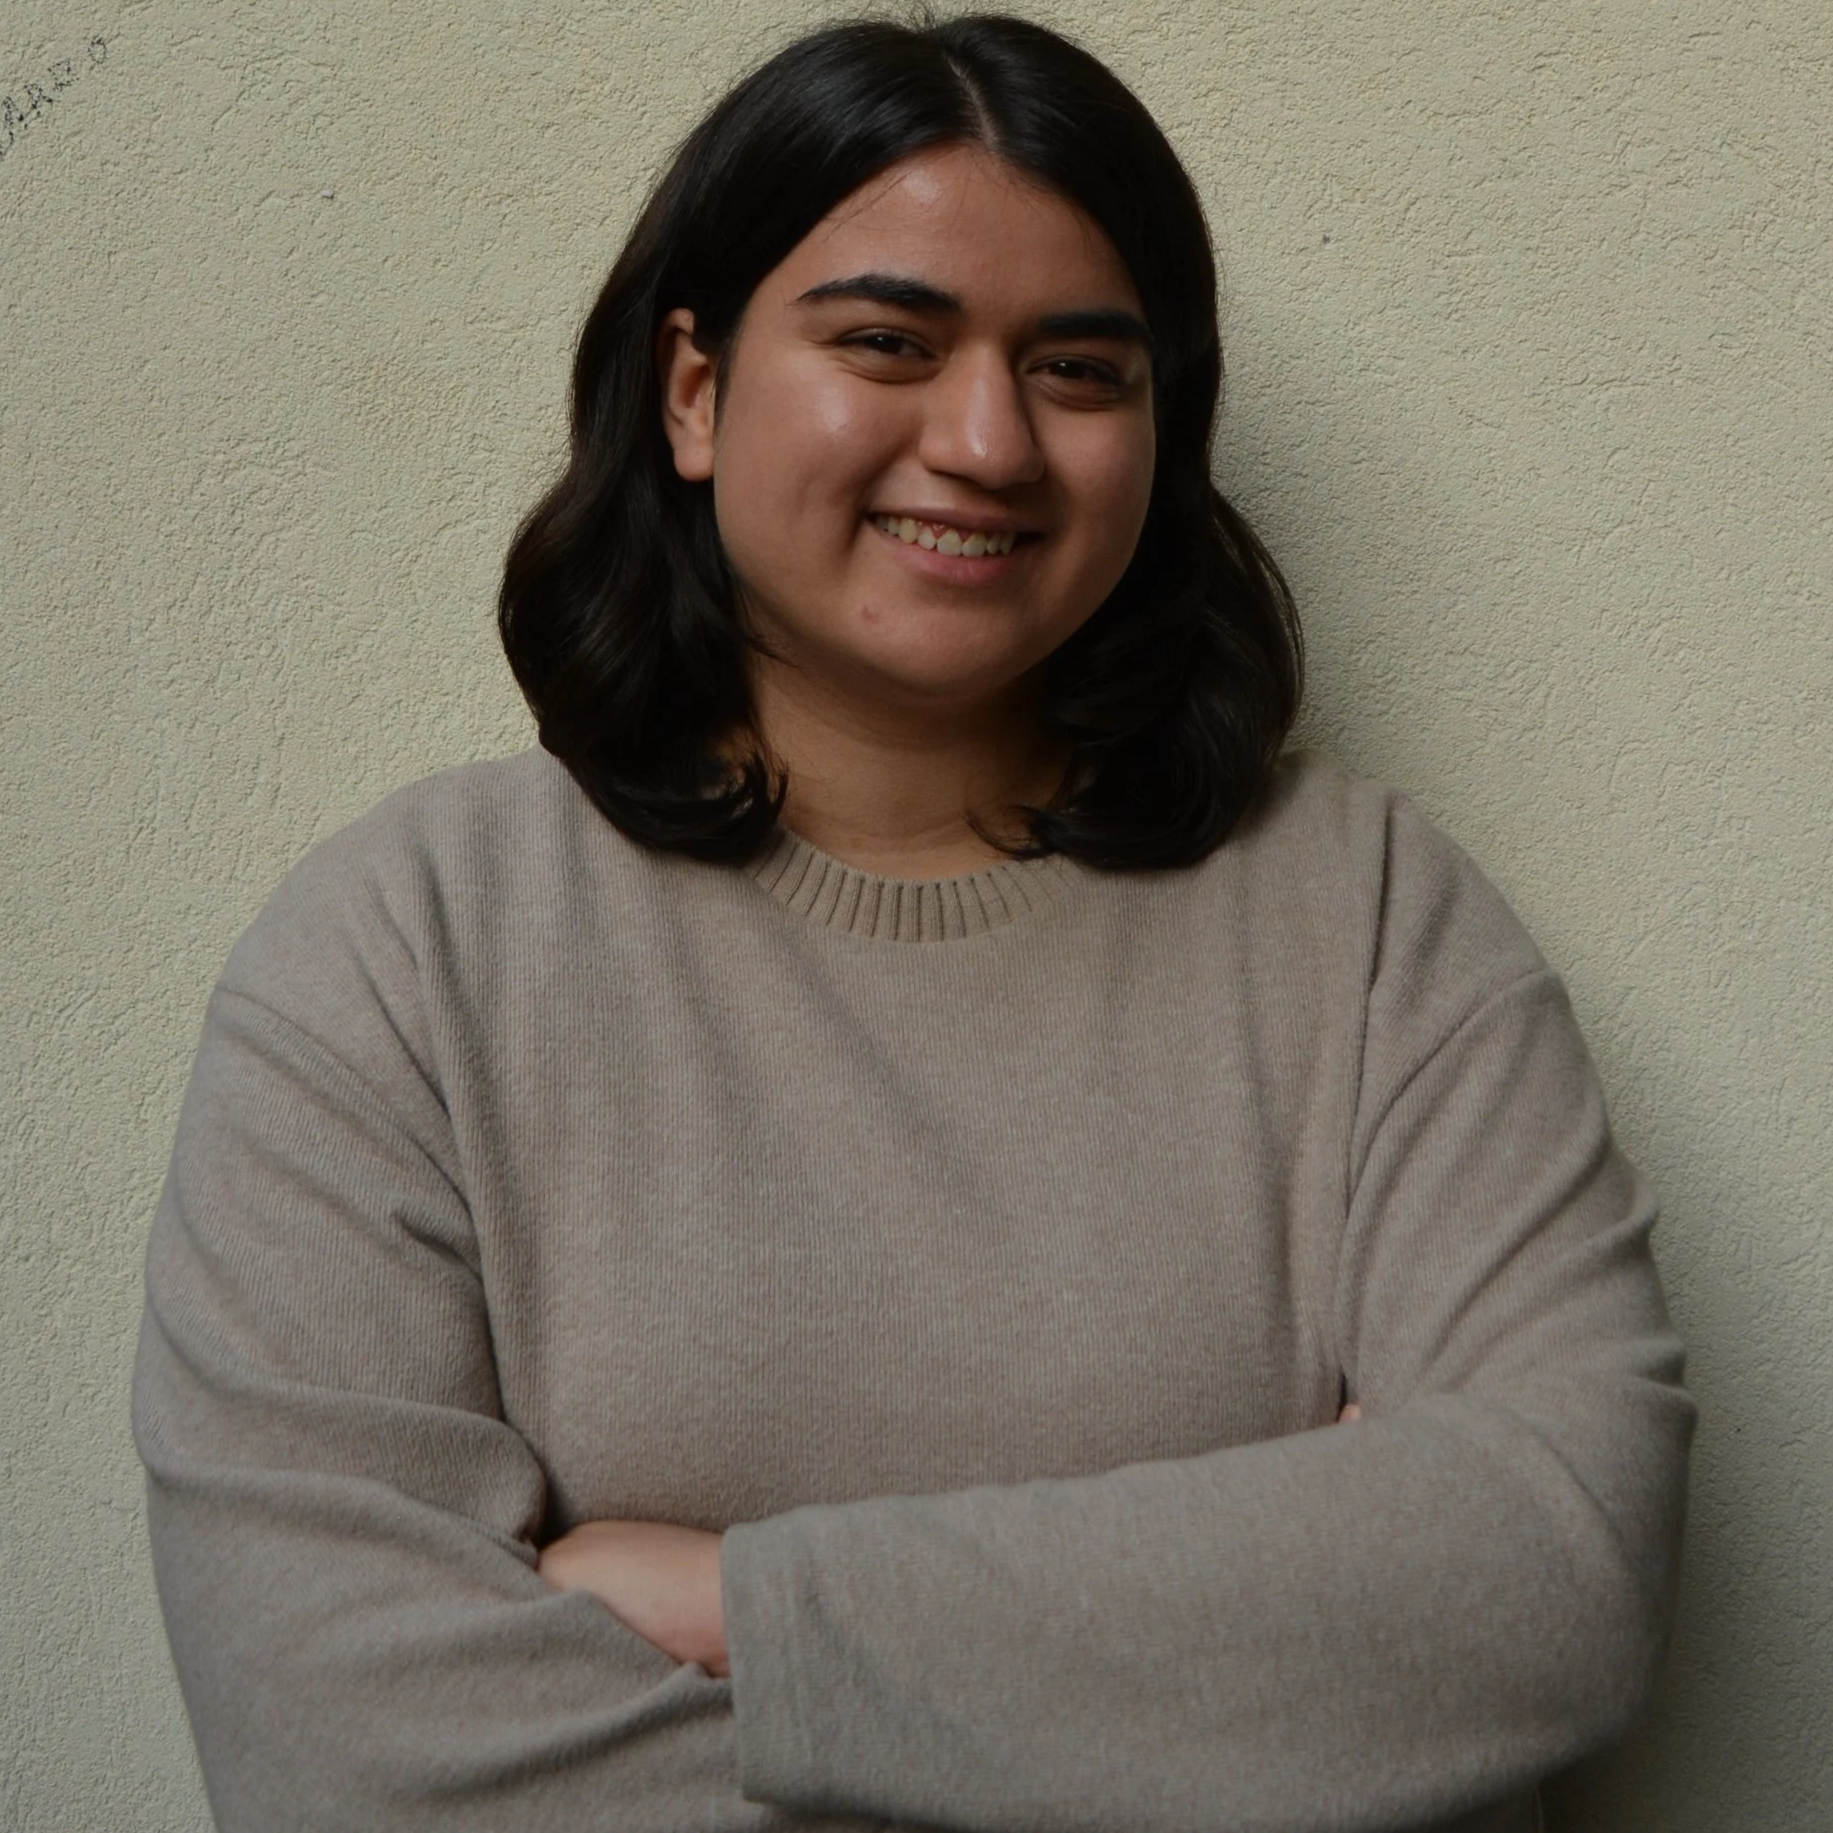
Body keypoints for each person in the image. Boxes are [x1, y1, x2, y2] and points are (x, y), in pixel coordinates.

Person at [133, 14, 1693, 1832]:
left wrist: (739, 1612)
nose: (987, 441)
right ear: (693, 391)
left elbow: (1558, 1572)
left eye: (1081, 369)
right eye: (886, 342)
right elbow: (345, 1755)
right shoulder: (408, 956)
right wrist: (1261, 1646)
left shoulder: (1369, 923)